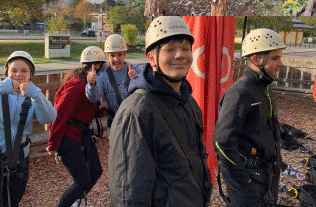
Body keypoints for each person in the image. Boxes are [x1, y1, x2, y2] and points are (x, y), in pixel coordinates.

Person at [108, 16, 212, 207]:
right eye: (170, 49)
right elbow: (128, 195)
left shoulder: (188, 102)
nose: (180, 55)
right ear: (151, 59)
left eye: (185, 48)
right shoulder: (137, 112)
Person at [0, 51, 56, 207]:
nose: (18, 74)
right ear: (7, 72)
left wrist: (35, 93)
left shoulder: (33, 97)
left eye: (24, 70)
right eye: (13, 70)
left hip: (17, 163)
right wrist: (0, 87)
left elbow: (49, 117)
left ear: (31, 74)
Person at [214, 28, 286, 207]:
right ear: (256, 59)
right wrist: (242, 185)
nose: (281, 63)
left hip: (264, 177)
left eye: (280, 57)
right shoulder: (240, 92)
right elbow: (222, 142)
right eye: (275, 58)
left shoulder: (263, 88)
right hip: (249, 184)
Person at [47, 46, 106, 207]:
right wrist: (53, 143)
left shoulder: (85, 84)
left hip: (81, 134)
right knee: (82, 182)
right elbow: (59, 114)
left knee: (96, 171)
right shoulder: (77, 86)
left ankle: (76, 202)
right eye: (101, 65)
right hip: (69, 137)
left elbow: (83, 110)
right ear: (96, 65)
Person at [85, 33, 143, 128]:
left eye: (119, 54)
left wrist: (137, 79)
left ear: (125, 54)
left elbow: (147, 88)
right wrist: (91, 85)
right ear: (107, 57)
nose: (116, 59)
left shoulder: (134, 68)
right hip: (116, 123)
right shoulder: (104, 76)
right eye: (112, 55)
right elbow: (93, 98)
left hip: (136, 122)